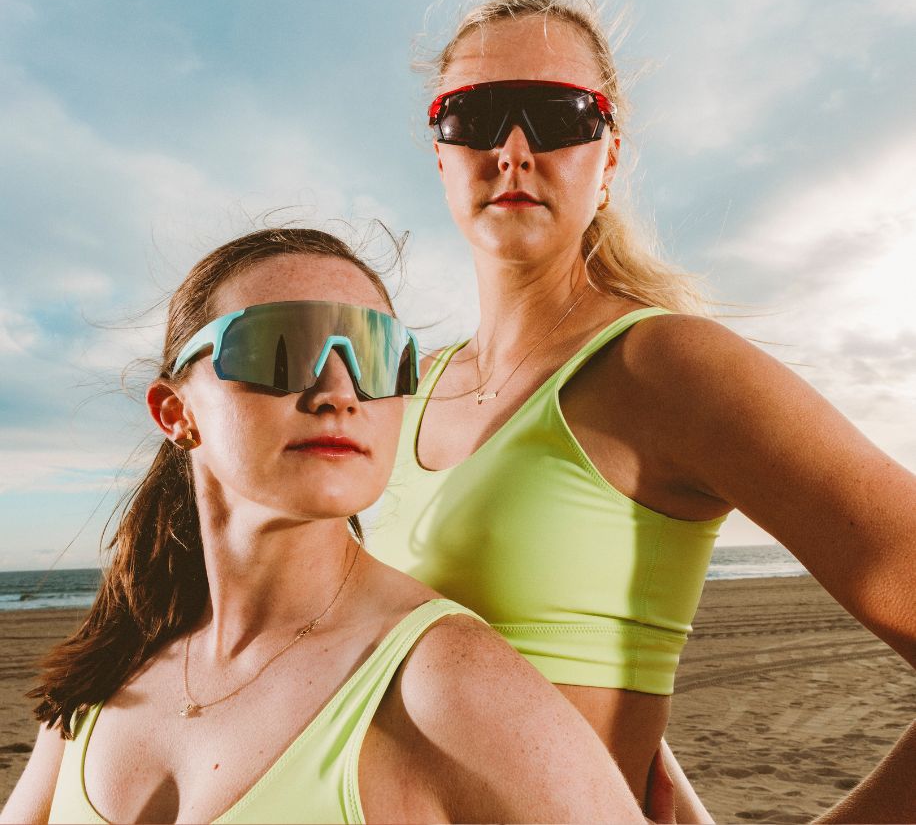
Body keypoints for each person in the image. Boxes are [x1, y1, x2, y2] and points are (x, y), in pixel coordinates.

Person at [369, 0, 916, 822]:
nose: (512, 149)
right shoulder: (395, 392)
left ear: (610, 154)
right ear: (438, 151)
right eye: (473, 115)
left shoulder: (666, 367)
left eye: (557, 115)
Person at [1, 228, 656, 825]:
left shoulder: (443, 683)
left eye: (377, 358)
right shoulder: (108, 673)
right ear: (175, 410)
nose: (337, 391)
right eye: (279, 349)